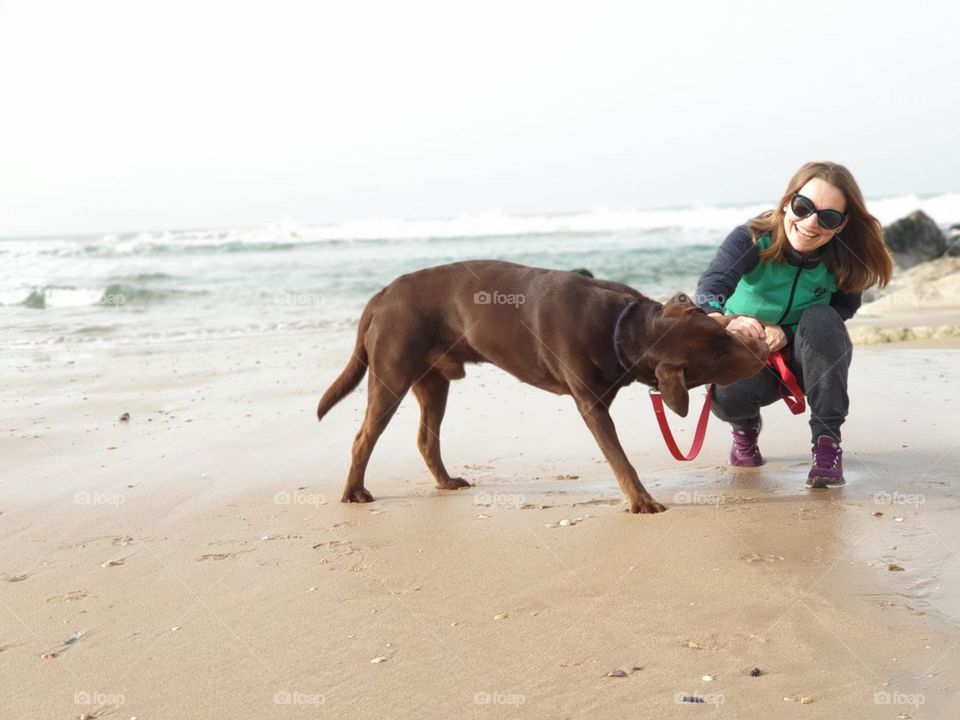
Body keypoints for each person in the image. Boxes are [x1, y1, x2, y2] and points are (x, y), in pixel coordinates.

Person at [695, 161, 893, 487]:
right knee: (730, 397)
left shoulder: (843, 257)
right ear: (788, 201)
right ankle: (744, 430)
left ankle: (827, 446)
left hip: (808, 356)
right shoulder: (753, 237)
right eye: (803, 207)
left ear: (840, 225)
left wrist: (786, 333)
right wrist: (724, 321)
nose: (810, 223)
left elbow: (843, 309)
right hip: (748, 355)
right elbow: (711, 287)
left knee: (821, 316)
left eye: (827, 217)